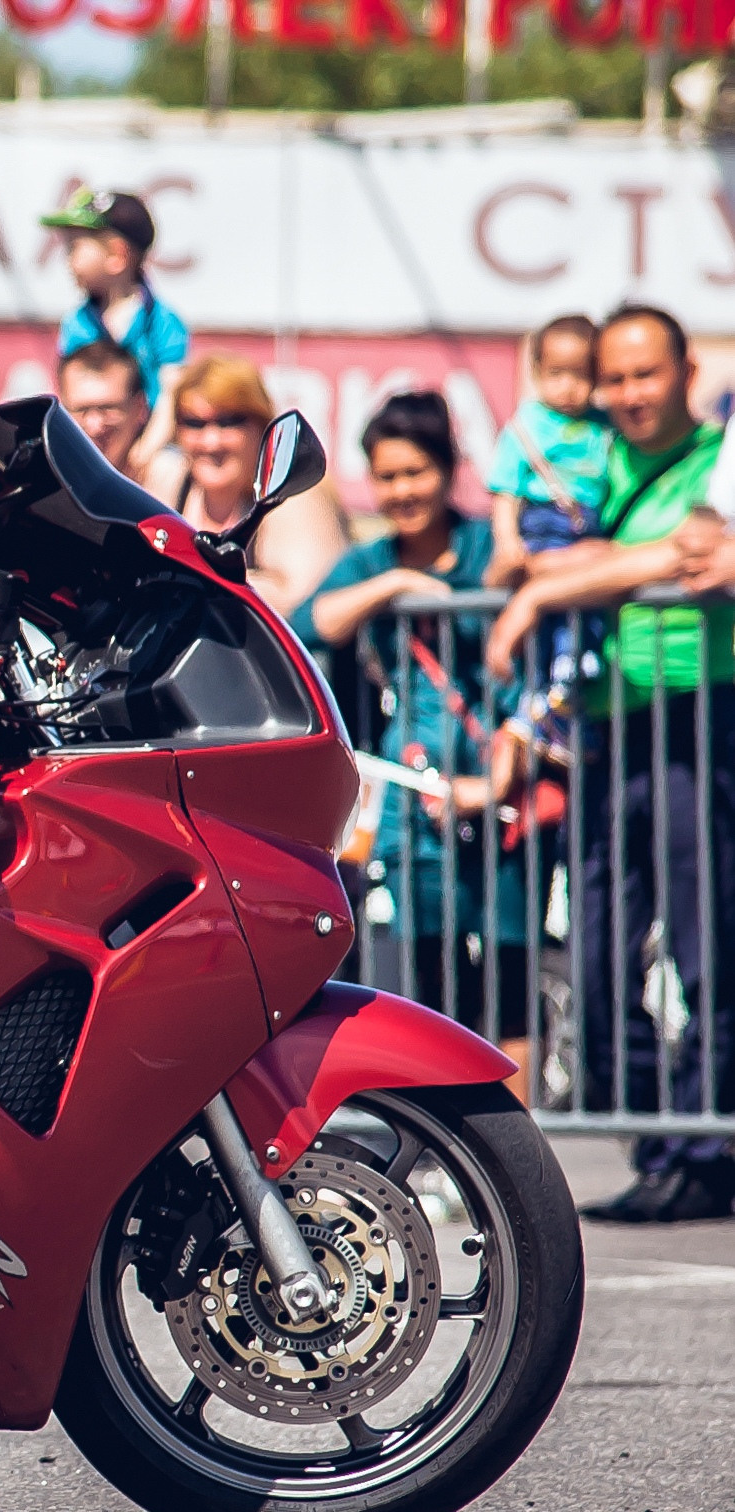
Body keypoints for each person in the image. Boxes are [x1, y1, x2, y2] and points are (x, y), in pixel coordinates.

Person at [486, 306, 731, 1223]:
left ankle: (708, 1148)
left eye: (645, 374)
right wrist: (582, 565)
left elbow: (687, 551)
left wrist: (562, 579)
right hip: (602, 730)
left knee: (703, 945)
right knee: (594, 947)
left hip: (697, 714)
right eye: (612, 377)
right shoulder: (590, 454)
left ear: (684, 372)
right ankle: (658, 1137)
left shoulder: (716, 460)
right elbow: (554, 547)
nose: (626, 394)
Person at [291, 394, 531, 1098]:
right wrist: (394, 583)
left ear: (450, 469)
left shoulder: (490, 548)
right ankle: (442, 1147)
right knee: (427, 974)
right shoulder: (371, 559)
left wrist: (501, 773)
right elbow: (311, 621)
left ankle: (520, 1153)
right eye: (387, 477)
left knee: (507, 968)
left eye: (416, 473)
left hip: (499, 800)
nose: (402, 492)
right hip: (413, 807)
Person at [154, 353, 346, 618]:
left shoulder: (292, 493)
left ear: (262, 424)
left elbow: (307, 610)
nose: (211, 442)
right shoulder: (170, 482)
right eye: (194, 424)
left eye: (229, 422)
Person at [42, 188, 188, 474]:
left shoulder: (163, 322)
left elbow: (172, 395)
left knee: (168, 469)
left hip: (148, 448)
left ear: (116, 256)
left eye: (75, 248)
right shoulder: (76, 323)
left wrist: (144, 452)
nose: (68, 260)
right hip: (90, 446)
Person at [487, 316, 609, 591]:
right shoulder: (526, 425)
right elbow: (505, 492)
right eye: (556, 373)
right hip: (544, 524)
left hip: (592, 525)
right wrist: (508, 543)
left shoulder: (604, 425)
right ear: (537, 371)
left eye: (580, 375)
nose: (568, 386)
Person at [57, 339, 150, 476]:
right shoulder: (41, 483)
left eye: (108, 408)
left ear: (139, 408)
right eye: (80, 410)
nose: (95, 426)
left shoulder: (171, 481)